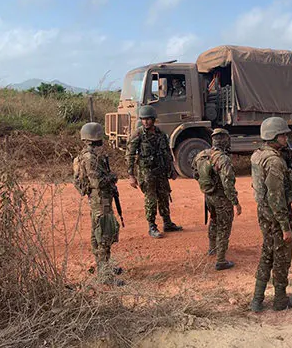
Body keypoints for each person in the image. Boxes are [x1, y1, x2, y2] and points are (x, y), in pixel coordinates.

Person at [249, 117, 292, 312]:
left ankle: (257, 300)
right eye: (283, 135)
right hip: (277, 217)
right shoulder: (275, 162)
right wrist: (285, 227)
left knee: (267, 253)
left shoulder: (257, 155)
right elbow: (276, 197)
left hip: (264, 214)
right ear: (274, 136)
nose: (286, 138)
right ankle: (280, 300)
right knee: (281, 257)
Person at [73, 122, 122, 285]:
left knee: (97, 232)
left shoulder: (85, 155)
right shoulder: (90, 158)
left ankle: (104, 266)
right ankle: (105, 276)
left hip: (97, 200)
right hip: (100, 199)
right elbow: (97, 182)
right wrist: (112, 177)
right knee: (104, 235)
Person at [126, 105, 182, 239]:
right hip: (147, 172)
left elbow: (166, 153)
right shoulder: (138, 134)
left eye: (148, 119)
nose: (145, 122)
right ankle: (152, 226)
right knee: (151, 199)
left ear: (154, 120)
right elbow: (130, 155)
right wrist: (131, 175)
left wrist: (172, 169)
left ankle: (167, 223)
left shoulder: (160, 134)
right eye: (143, 119)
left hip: (161, 171)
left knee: (164, 196)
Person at [194, 128, 242, 270]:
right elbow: (228, 183)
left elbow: (195, 174)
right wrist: (235, 202)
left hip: (208, 197)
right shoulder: (222, 159)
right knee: (224, 226)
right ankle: (221, 260)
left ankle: (212, 248)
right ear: (226, 141)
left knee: (213, 221)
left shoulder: (201, 155)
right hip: (222, 198)